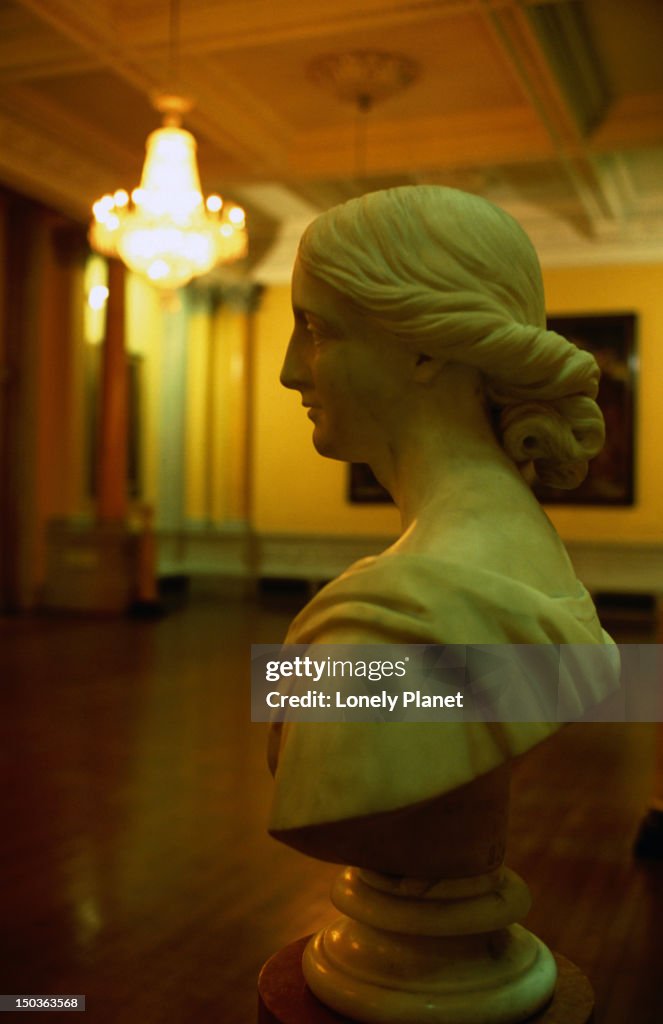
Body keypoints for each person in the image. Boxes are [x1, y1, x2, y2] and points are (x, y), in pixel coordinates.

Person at [268, 185, 616, 876]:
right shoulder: (516, 561)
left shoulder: (384, 636)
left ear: (425, 350)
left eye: (315, 331)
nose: (287, 371)